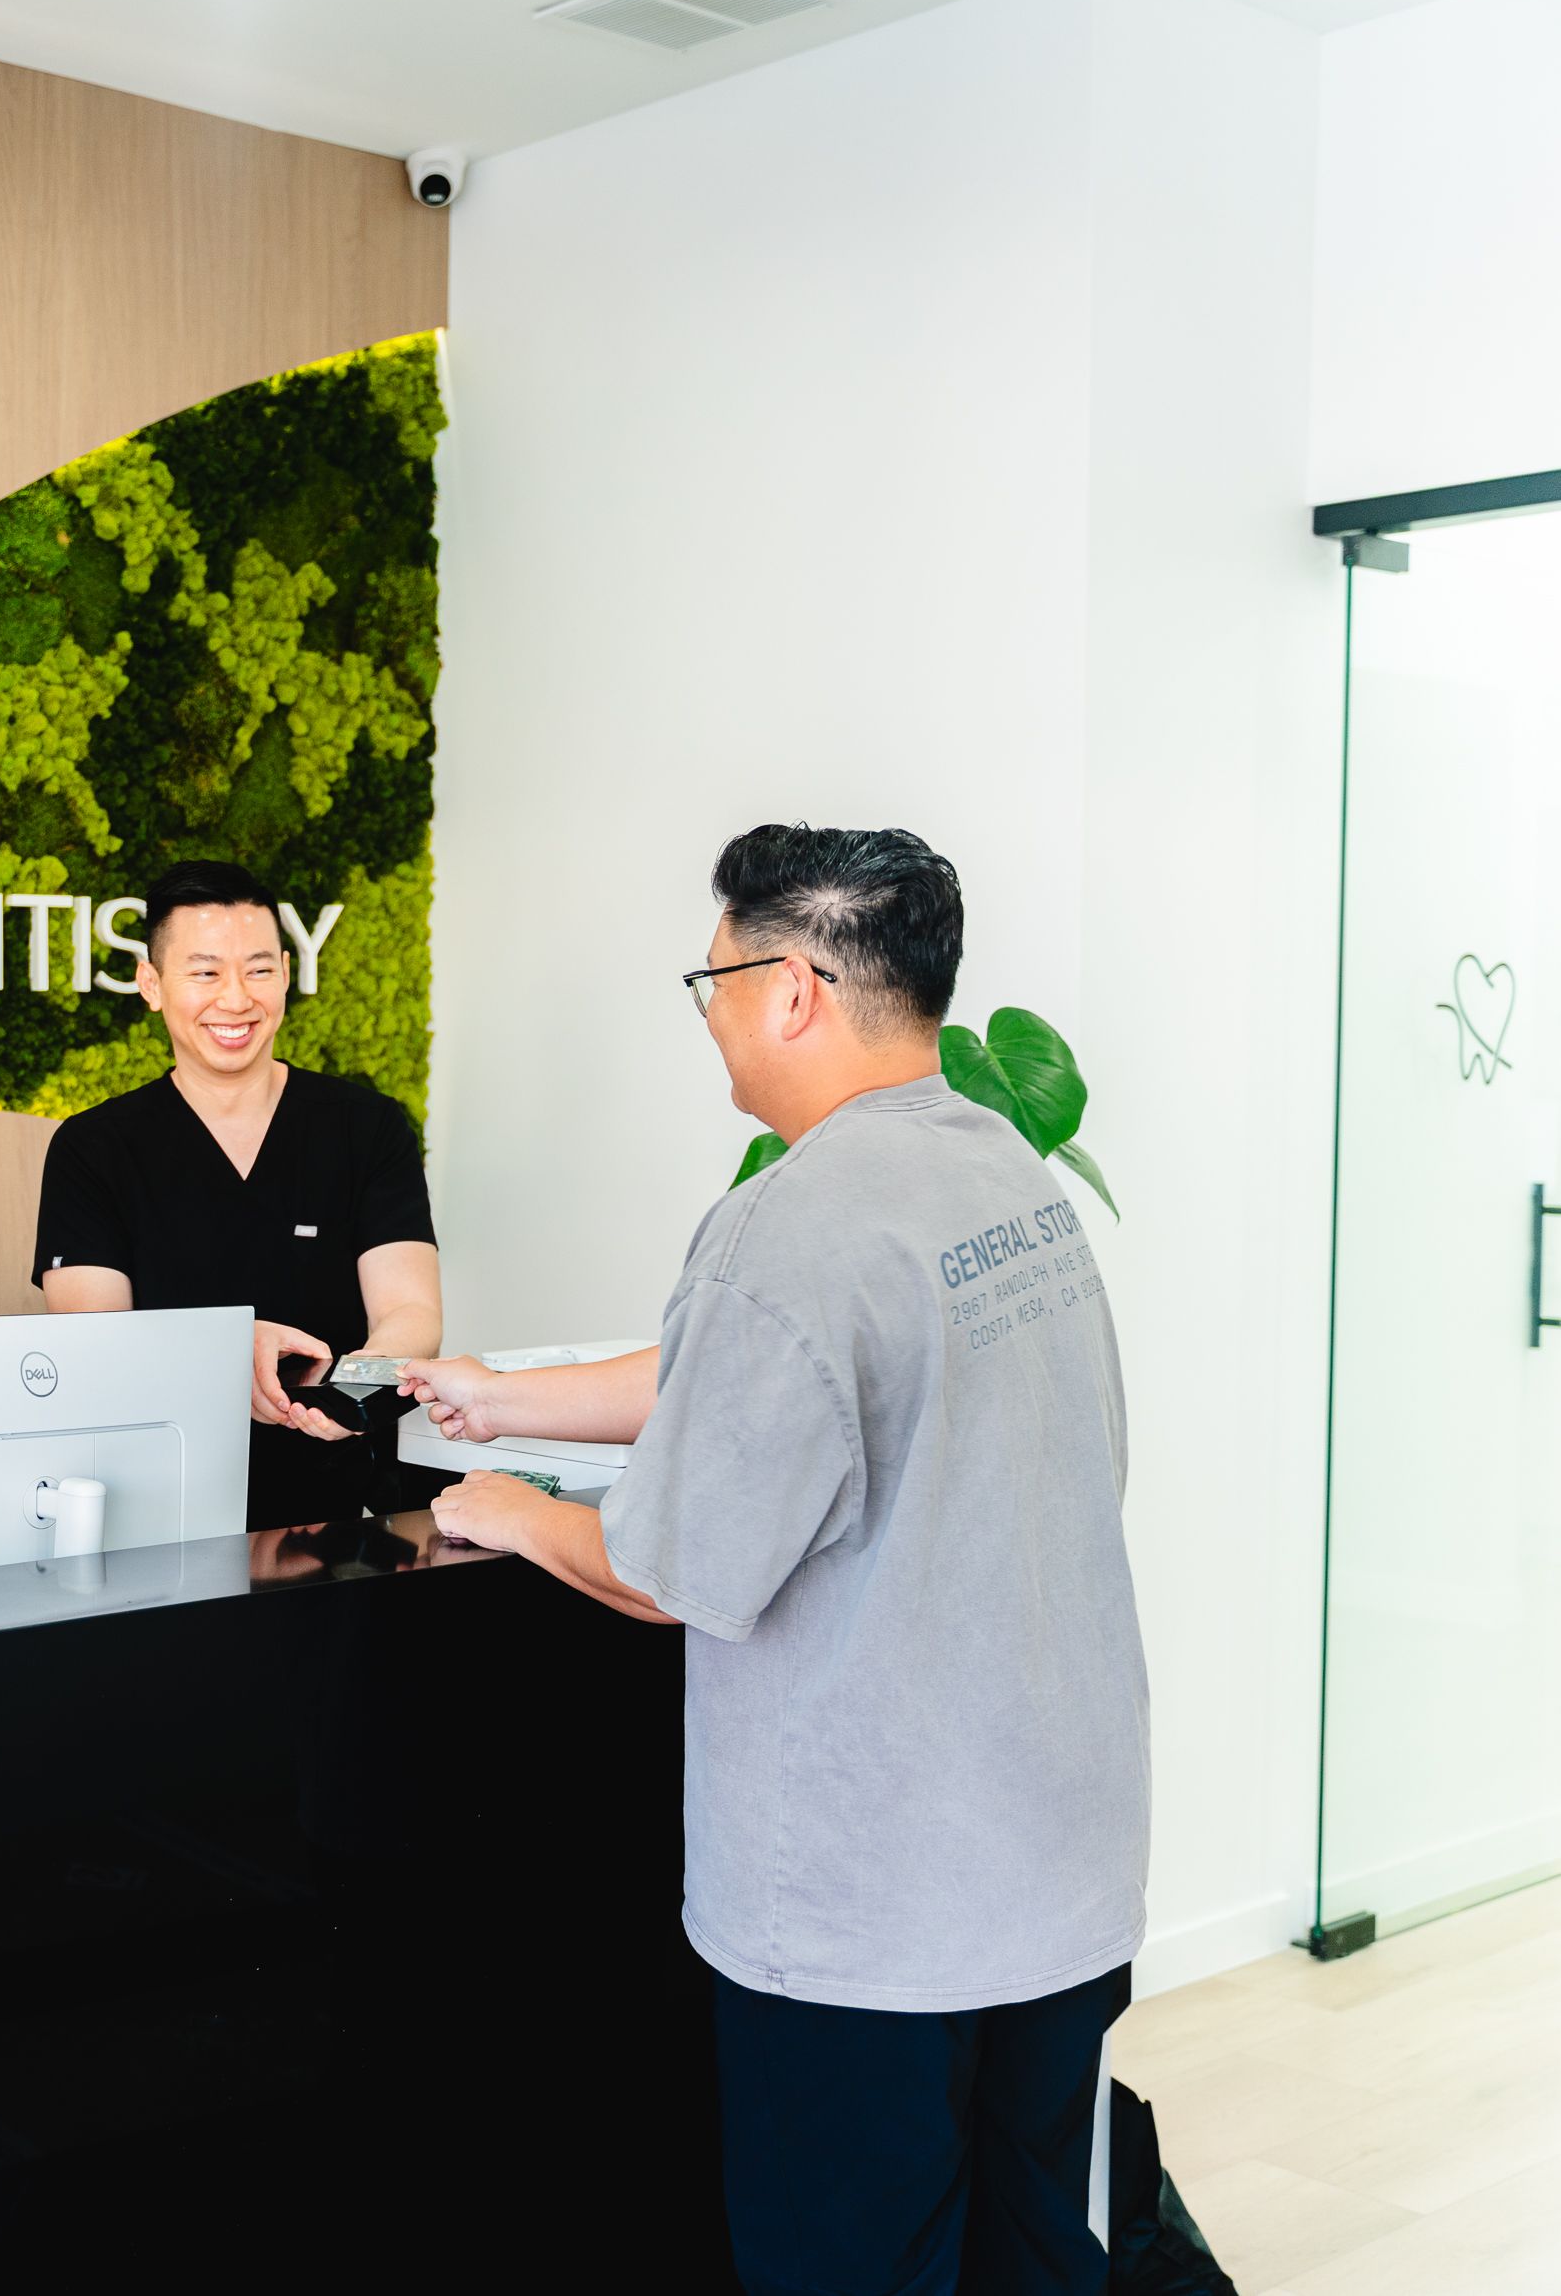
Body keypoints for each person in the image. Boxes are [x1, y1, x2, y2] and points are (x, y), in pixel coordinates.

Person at [399, 825, 1148, 2296]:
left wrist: (504, 1505)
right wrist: (498, 1392)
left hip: (872, 1923)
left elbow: (667, 1567)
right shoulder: (994, 1169)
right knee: (1033, 2260)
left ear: (795, 986)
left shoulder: (787, 1222)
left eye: (717, 976)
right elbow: (770, 1374)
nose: (711, 1016)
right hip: (1051, 1879)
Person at [34, 859, 441, 1531]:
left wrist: (352, 1394)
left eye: (257, 970)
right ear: (150, 984)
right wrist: (223, 1347)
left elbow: (411, 1308)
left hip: (339, 1510)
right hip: (157, 1510)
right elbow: (91, 1336)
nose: (235, 999)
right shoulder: (94, 1146)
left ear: (285, 972)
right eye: (204, 973)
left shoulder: (364, 1126)